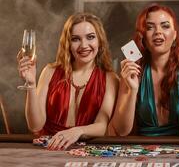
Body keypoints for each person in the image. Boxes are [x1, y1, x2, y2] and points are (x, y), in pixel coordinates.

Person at [17, 13, 118, 150]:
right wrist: (31, 84)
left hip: (83, 151)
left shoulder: (110, 78)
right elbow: (35, 125)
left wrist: (77, 131)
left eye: (90, 37)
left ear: (100, 41)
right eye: (75, 39)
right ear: (67, 44)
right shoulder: (50, 71)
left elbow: (101, 125)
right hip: (48, 150)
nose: (84, 45)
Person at [108, 4, 179, 137]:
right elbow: (121, 131)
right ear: (142, 36)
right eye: (149, 27)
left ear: (175, 35)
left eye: (165, 26)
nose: (158, 32)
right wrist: (133, 90)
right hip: (143, 152)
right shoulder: (133, 67)